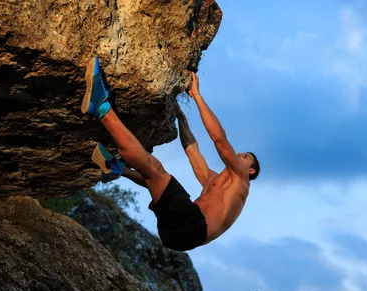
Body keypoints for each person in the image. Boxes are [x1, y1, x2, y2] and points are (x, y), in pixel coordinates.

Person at [82, 57, 260, 251]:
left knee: (156, 169)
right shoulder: (212, 181)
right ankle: (119, 169)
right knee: (157, 180)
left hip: (194, 227)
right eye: (241, 153)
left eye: (245, 157)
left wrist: (197, 97)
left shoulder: (241, 182)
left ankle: (100, 106)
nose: (239, 155)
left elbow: (219, 139)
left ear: (250, 171)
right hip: (177, 234)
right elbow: (192, 151)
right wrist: (182, 119)